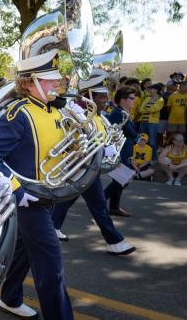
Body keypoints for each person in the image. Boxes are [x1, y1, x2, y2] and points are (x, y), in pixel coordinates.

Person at [0, 49, 76, 319]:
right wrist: (17, 189)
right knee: (52, 265)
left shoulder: (52, 110)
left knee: (25, 250)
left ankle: (11, 297)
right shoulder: (17, 114)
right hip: (28, 202)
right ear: (29, 82)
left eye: (55, 79)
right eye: (49, 80)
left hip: (49, 196)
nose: (56, 84)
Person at [51, 72, 136, 255]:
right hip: (81, 167)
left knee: (67, 200)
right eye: (101, 96)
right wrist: (102, 150)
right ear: (88, 96)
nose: (105, 100)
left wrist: (110, 147)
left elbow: (104, 138)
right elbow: (74, 141)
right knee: (99, 207)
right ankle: (115, 241)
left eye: (106, 96)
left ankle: (53, 227)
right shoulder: (76, 114)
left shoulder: (99, 116)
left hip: (90, 167)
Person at [104, 86, 139, 217]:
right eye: (131, 98)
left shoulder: (124, 113)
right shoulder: (118, 113)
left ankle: (114, 207)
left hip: (125, 151)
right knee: (123, 179)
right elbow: (110, 134)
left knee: (119, 180)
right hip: (119, 152)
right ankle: (100, 202)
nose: (134, 101)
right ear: (123, 100)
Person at [138, 83, 164, 160]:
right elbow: (140, 110)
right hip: (143, 121)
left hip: (153, 123)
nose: (150, 90)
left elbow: (154, 109)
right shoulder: (147, 98)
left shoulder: (160, 99)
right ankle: (144, 158)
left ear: (156, 90)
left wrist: (146, 108)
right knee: (142, 140)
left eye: (152, 88)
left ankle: (154, 158)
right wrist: (148, 109)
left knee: (152, 141)